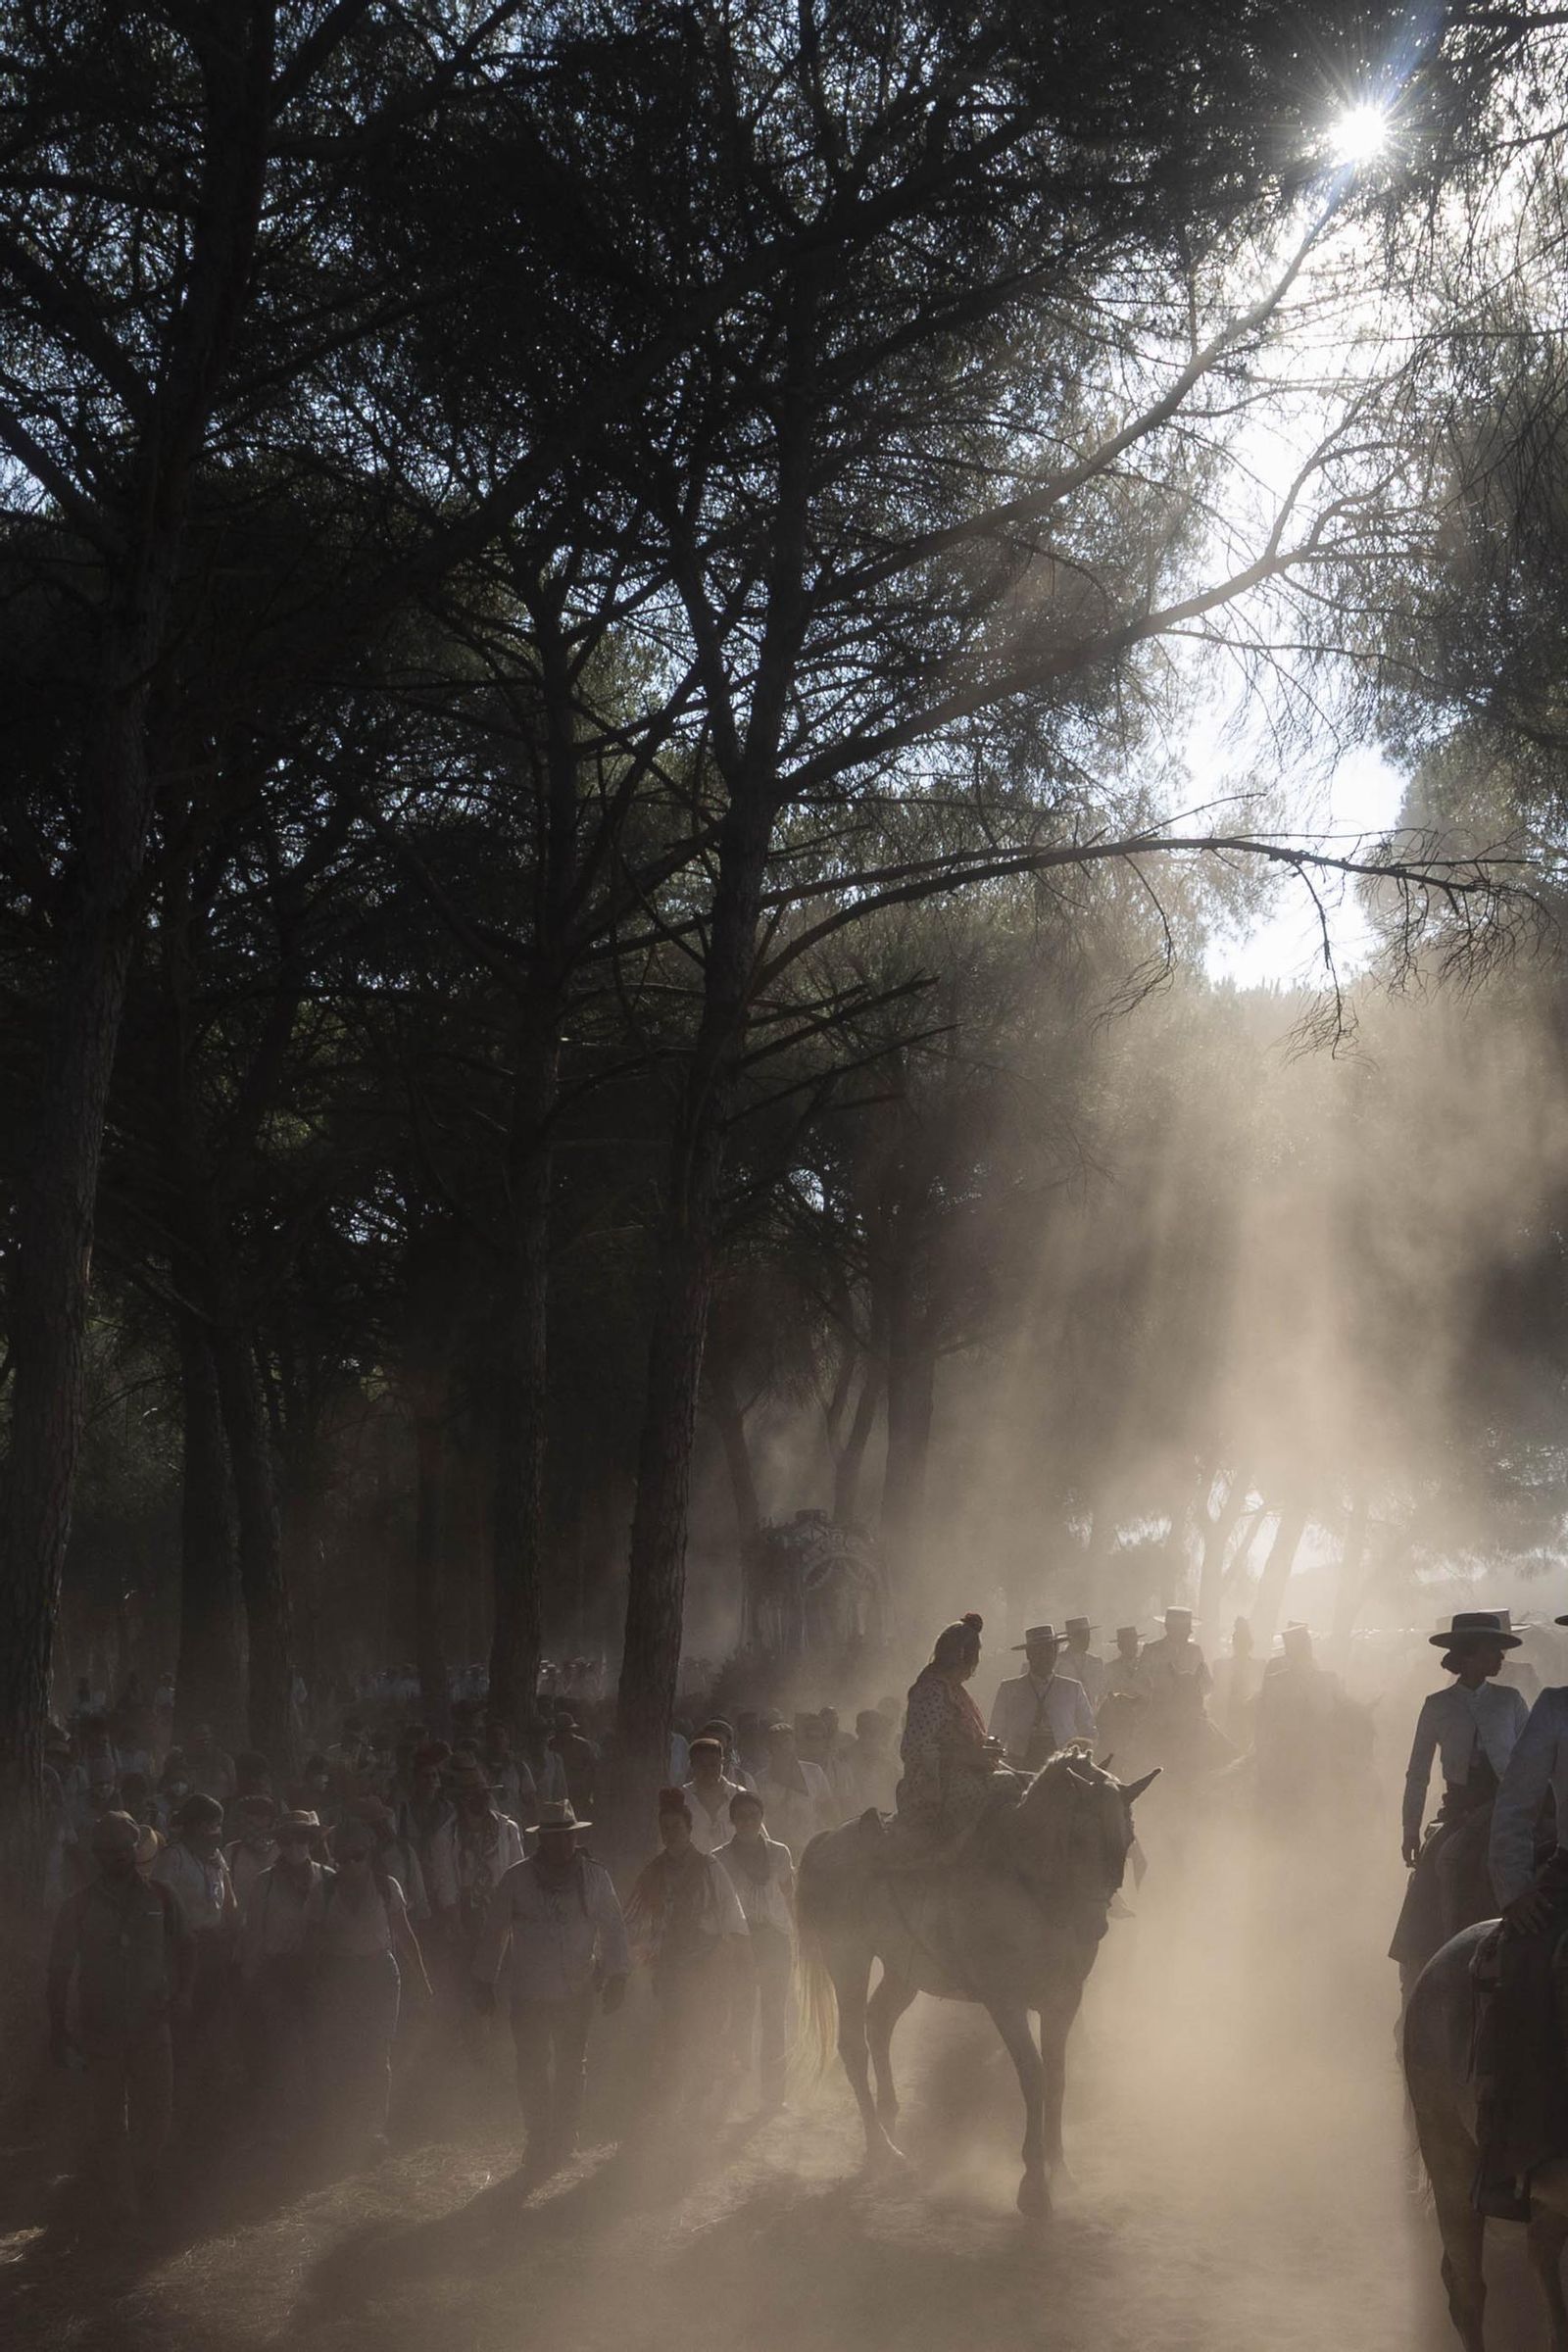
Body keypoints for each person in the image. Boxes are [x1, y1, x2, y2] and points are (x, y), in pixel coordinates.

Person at [47, 1810, 194, 2220]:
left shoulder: (162, 1897)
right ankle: (119, 2201)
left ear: (136, 1849)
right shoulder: (76, 1907)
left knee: (156, 2111)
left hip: (152, 2025)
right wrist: (57, 2029)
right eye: (107, 1851)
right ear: (96, 1855)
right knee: (108, 2118)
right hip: (101, 2029)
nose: (117, 1857)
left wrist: (183, 1995)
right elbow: (58, 1971)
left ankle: (145, 2181)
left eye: (124, 1848)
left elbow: (187, 1947)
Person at [471, 1798, 629, 2168]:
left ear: (575, 1837)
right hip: (529, 1991)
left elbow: (614, 1926)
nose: (561, 1844)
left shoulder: (595, 1877)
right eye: (553, 1837)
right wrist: (483, 1980)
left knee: (573, 2064)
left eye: (567, 1836)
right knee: (531, 2064)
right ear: (542, 1839)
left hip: (577, 1989)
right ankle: (538, 2136)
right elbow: (495, 1931)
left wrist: (618, 1972)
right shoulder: (517, 1879)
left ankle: (566, 2135)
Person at [1390, 1611, 1527, 2003]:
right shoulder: (1437, 1706)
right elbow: (1417, 1774)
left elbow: (1534, 1761)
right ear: (1467, 1655)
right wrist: (1411, 1830)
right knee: (1447, 1862)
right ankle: (1445, 1950)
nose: (1500, 1658)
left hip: (1511, 1810)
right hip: (1462, 1811)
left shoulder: (1511, 1701)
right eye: (1492, 1651)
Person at [305, 1817, 431, 2152]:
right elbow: (313, 1942)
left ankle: (373, 2127)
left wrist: (422, 1982)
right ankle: (343, 2122)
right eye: (342, 1858)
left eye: (356, 1856)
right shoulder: (324, 1891)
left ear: (369, 1854)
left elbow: (404, 1935)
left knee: (377, 2052)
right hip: (340, 1973)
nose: (349, 1864)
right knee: (343, 2049)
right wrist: (314, 1984)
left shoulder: (387, 1886)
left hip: (379, 1971)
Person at [626, 1789, 749, 2110]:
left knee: (707, 2024)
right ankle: (677, 2090)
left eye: (676, 1828)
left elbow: (732, 1916)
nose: (670, 1835)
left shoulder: (710, 1867)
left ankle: (701, 2090)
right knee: (674, 2026)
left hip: (706, 1960)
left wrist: (737, 1956)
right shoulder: (654, 1870)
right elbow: (636, 1919)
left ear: (688, 1829)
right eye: (665, 1829)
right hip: (670, 1961)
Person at [240, 1810, 331, 2140]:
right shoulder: (263, 1883)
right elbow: (253, 1936)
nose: (295, 1846)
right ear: (280, 1843)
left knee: (319, 2047)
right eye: (289, 1839)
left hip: (317, 1974)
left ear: (311, 1842)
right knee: (280, 2049)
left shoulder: (328, 1878)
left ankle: (319, 2120)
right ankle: (283, 2121)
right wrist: (250, 1979)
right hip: (276, 1974)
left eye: (302, 1839)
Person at [713, 1789, 795, 2112]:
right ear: (732, 1820)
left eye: (754, 1816)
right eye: (742, 1817)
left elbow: (790, 1896)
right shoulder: (718, 1858)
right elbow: (717, 1907)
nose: (748, 1822)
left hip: (776, 1940)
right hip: (740, 1944)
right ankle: (735, 2090)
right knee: (741, 2015)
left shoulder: (780, 1853)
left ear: (762, 1819)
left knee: (775, 2017)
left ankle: (774, 2094)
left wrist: (801, 1935)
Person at [898, 1611, 1007, 1844]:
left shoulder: (954, 1688)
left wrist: (985, 1747)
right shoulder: (932, 1691)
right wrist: (968, 1756)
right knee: (1011, 1788)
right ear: (962, 1656)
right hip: (939, 1782)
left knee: (1024, 1780)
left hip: (969, 1773)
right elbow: (914, 1750)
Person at [428, 1760, 524, 1960]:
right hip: (465, 1917)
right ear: (462, 1800)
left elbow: (519, 1878)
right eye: (474, 1794)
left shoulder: (507, 1830)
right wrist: (459, 1930)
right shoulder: (445, 1837)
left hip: (502, 1916)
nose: (482, 1798)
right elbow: (447, 1888)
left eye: (484, 1793)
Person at [987, 1623, 1096, 1773]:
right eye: (1038, 1651)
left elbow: (1089, 1731)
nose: (1044, 1656)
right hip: (1018, 1766)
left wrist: (1078, 1748)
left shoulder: (1073, 1689)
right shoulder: (1009, 1689)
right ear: (1028, 1654)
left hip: (1063, 1767)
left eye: (1049, 1650)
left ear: (1056, 1652)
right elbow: (995, 1732)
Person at [757, 1720, 837, 1860]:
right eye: (776, 1744)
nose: (782, 1747)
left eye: (786, 1742)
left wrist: (833, 1841)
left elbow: (828, 1808)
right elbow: (759, 1818)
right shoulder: (761, 1779)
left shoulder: (813, 1772)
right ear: (770, 1747)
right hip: (776, 1848)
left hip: (808, 1845)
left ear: (793, 1744)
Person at [683, 1735, 743, 1854]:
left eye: (713, 1765)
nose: (708, 1770)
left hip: (733, 1871)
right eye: (701, 1765)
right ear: (692, 1766)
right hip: (692, 1871)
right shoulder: (680, 1799)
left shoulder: (740, 1796)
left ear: (722, 1763)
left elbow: (759, 1838)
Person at [1138, 1607, 1212, 1701]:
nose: (1188, 1633)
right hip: (1158, 1709)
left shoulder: (1195, 1651)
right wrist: (1155, 1697)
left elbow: (1207, 1683)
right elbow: (1139, 1681)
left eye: (1187, 1629)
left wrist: (1192, 1695)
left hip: (1188, 1709)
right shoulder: (1152, 1650)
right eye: (1182, 1629)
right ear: (1169, 1628)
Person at [224, 1794, 279, 1918]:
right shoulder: (231, 1851)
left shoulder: (285, 1850)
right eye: (243, 1820)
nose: (245, 1825)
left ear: (268, 1820)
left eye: (252, 1820)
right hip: (241, 1929)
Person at [1210, 1617, 1261, 1745]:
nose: (1240, 1645)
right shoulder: (1221, 1665)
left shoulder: (1258, 1666)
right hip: (1228, 1715)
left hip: (1249, 1717)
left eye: (1243, 1642)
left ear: (1249, 1644)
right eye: (1238, 1641)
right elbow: (1216, 1694)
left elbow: (1260, 1691)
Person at [843, 1709, 901, 1815]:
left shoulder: (890, 1757)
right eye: (866, 1729)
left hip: (884, 1816)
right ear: (858, 1730)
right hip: (853, 1818)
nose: (870, 1734)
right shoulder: (844, 1756)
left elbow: (896, 1788)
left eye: (874, 1730)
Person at [1058, 1618, 1105, 1708]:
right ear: (1070, 1638)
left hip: (1092, 1716)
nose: (1087, 1639)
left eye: (1087, 1635)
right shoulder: (1058, 1662)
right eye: (1081, 1636)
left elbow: (1102, 1692)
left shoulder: (1096, 1662)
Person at [186, 1724, 237, 1806]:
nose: (203, 1743)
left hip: (222, 1807)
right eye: (199, 1740)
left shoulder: (224, 1759)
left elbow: (233, 1787)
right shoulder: (187, 1762)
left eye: (206, 1737)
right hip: (198, 1807)